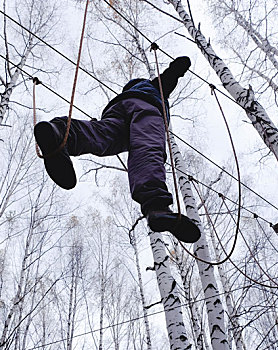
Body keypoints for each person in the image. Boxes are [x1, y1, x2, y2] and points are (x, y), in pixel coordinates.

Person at [34, 56, 201, 243]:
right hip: (146, 106)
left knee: (101, 134)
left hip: (117, 108)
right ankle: (156, 205)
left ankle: (60, 133)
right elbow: (167, 79)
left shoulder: (127, 93)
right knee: (147, 147)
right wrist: (177, 69)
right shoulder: (153, 87)